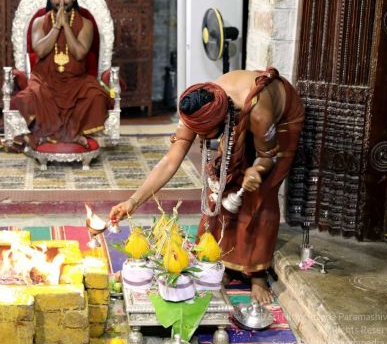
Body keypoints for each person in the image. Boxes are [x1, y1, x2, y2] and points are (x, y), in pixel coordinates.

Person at [108, 68, 304, 304]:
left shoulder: (258, 111)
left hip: (280, 122)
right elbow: (170, 161)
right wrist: (133, 201)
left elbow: (267, 158)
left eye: (206, 135)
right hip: (240, 115)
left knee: (261, 193)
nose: (201, 139)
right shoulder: (196, 105)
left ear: (222, 121)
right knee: (222, 182)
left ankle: (257, 274)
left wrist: (257, 169)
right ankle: (222, 261)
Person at [11, 0, 112, 148]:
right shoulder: (39, 22)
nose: (61, 1)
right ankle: (72, 136)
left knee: (97, 97)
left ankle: (50, 135)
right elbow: (41, 51)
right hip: (45, 81)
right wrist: (57, 26)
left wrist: (66, 25)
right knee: (26, 98)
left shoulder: (86, 24)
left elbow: (79, 53)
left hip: (77, 81)